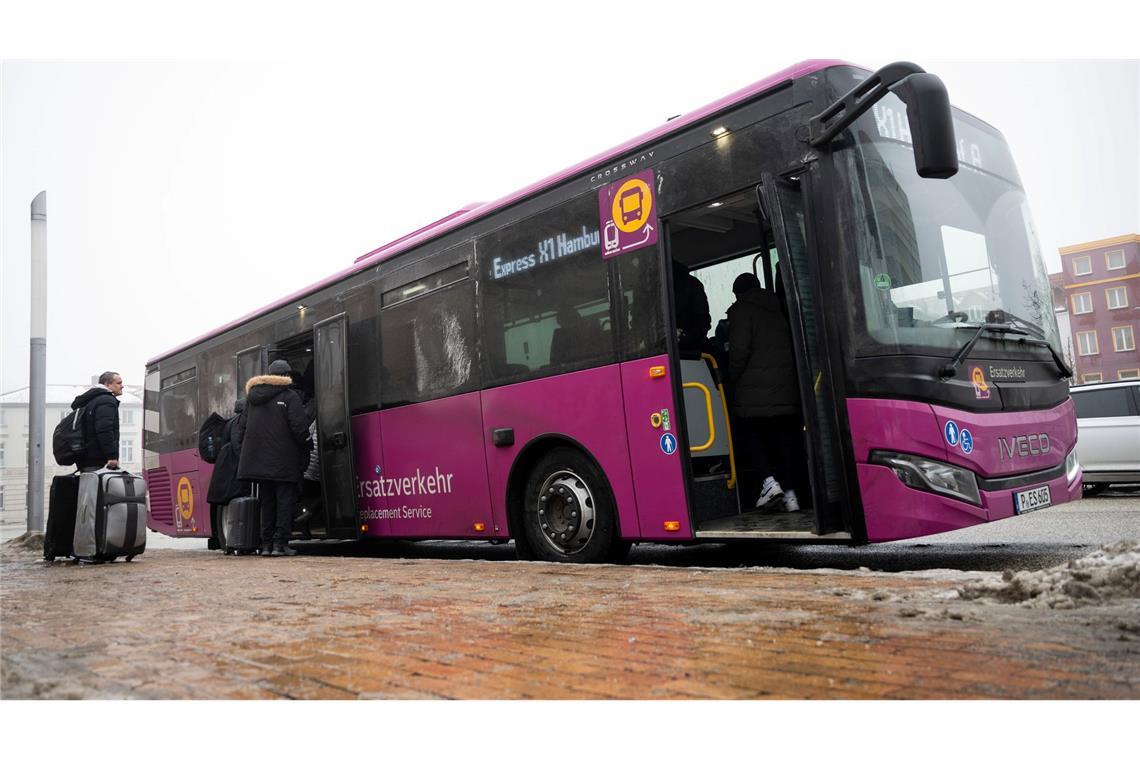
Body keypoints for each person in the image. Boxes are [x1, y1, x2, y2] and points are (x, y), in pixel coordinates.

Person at [726, 273, 804, 512]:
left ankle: (769, 482)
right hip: (786, 391)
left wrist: (731, 377)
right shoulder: (778, 308)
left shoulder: (741, 310)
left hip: (754, 393)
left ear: (739, 293)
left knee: (749, 435)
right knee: (783, 443)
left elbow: (739, 350)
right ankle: (791, 496)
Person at [234, 360, 311, 556]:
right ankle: (280, 544)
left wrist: (247, 454)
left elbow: (241, 429)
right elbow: (299, 428)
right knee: (285, 502)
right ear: (286, 376)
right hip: (284, 460)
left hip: (259, 462)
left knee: (267, 502)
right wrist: (307, 444)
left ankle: (266, 544)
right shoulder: (290, 397)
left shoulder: (252, 399)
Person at [72, 371, 124, 472]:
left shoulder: (91, 400)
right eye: (119, 383)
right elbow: (104, 429)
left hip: (87, 459)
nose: (122, 386)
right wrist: (112, 456)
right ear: (107, 385)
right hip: (99, 461)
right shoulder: (106, 400)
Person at [206, 398, 247, 512]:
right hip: (233, 468)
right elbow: (237, 444)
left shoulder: (233, 421)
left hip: (229, 466)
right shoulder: (239, 421)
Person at [673, 261, 712, 353]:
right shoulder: (649, 289)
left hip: (691, 353)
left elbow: (703, 321)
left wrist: (685, 336)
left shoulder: (692, 285)